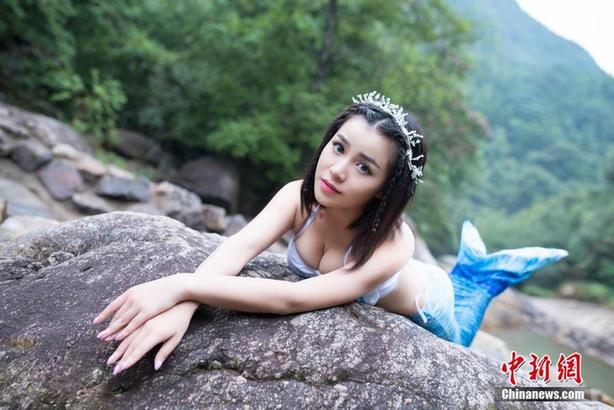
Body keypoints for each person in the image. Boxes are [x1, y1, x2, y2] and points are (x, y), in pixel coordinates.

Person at [92, 91, 567, 376]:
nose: (338, 170)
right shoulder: (297, 197)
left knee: (467, 313)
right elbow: (238, 247)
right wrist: (184, 307)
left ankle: (480, 276)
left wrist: (180, 285)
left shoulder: (393, 242)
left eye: (364, 167)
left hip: (433, 306)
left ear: (385, 188)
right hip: (410, 281)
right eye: (339, 148)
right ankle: (474, 266)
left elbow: (293, 299)